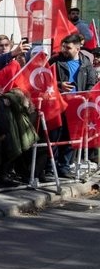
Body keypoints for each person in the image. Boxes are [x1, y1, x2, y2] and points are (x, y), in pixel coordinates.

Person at [51, 33, 97, 177]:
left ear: (78, 48)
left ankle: (64, 166)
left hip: (77, 105)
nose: (64, 50)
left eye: (68, 47)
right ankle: (51, 165)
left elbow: (91, 83)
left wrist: (86, 95)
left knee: (72, 136)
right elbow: (45, 79)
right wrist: (59, 85)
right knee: (55, 135)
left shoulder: (86, 63)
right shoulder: (55, 60)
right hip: (59, 104)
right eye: (63, 46)